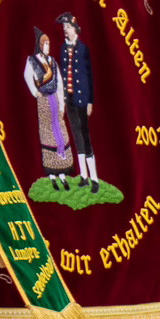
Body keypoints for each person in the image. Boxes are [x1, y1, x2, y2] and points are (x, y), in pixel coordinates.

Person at [23, 27, 72, 192]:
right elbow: (27, 75)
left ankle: (63, 173)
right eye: (45, 44)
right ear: (40, 45)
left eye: (49, 44)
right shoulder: (33, 61)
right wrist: (34, 91)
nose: (48, 47)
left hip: (55, 99)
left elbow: (59, 83)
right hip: (44, 101)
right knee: (47, 132)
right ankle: (52, 174)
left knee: (61, 132)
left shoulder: (52, 62)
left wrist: (62, 105)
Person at [56, 12, 98, 193]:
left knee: (85, 136)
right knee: (76, 136)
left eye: (67, 27)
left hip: (82, 99)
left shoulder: (83, 49)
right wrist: (63, 99)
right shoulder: (62, 49)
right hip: (70, 99)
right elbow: (63, 75)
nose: (65, 30)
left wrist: (90, 101)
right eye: (63, 28)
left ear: (74, 28)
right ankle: (84, 176)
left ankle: (94, 178)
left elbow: (89, 76)